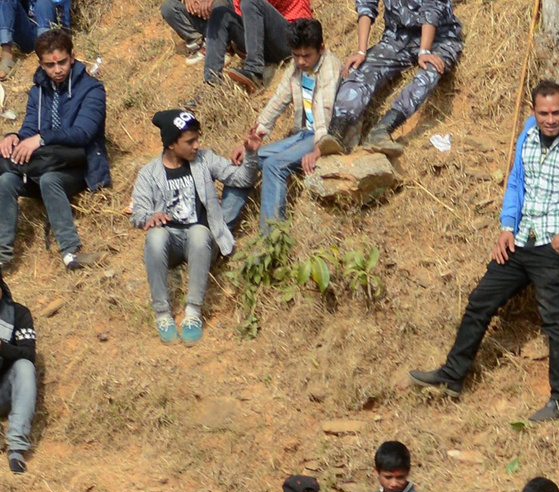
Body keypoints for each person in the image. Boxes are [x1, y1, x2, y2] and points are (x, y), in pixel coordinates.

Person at [407, 82, 559, 423]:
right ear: (533, 112)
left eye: (557, 112)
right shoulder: (527, 134)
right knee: (481, 301)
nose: (551, 119)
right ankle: (453, 376)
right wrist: (507, 226)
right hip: (520, 241)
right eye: (543, 113)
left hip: (554, 248)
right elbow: (515, 183)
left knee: (555, 320)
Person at [131, 109, 255, 346]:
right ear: (171, 144)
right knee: (156, 236)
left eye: (197, 139)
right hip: (172, 243)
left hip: (202, 242)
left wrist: (251, 154)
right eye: (190, 141)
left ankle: (193, 313)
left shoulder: (204, 160)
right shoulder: (149, 173)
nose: (196, 145)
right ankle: (163, 314)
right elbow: (137, 214)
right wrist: (150, 216)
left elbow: (243, 179)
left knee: (199, 231)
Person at [0, 29, 108, 273]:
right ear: (41, 64)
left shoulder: (92, 90)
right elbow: (29, 126)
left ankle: (71, 252)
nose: (57, 69)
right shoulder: (38, 91)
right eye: (50, 65)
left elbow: (83, 133)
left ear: (72, 56)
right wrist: (14, 137)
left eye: (62, 62)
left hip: (79, 166)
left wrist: (42, 139)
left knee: (50, 180)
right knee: (6, 180)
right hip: (44, 163)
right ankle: (2, 256)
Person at [231, 19, 336, 236]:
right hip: (303, 133)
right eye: (296, 55)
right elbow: (278, 100)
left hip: (319, 135)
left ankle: (270, 242)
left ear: (321, 48)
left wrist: (320, 149)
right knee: (247, 159)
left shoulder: (330, 69)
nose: (300, 61)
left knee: (274, 166)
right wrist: (254, 137)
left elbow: (326, 115)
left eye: (306, 56)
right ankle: (221, 230)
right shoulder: (295, 67)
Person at [327, 0, 462, 156]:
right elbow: (366, 6)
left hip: (439, 38)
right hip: (397, 39)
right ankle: (336, 132)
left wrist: (424, 51)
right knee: (360, 69)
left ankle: (383, 130)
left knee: (430, 72)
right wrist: (361, 51)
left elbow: (432, 9)